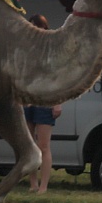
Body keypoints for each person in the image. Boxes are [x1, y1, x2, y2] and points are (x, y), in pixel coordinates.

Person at [23, 18, 61, 194]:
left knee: (43, 144)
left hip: (46, 101)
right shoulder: (26, 50)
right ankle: (33, 183)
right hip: (28, 100)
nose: (38, 31)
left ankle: (44, 186)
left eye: (41, 28)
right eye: (35, 27)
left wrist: (57, 103)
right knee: (30, 144)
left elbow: (57, 79)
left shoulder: (51, 51)